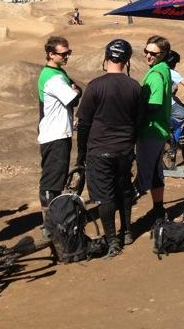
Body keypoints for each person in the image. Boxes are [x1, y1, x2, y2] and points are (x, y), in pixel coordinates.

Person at [76, 39, 142, 257]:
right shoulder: (135, 87)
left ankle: (112, 239)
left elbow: (84, 123)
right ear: (127, 60)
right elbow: (139, 120)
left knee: (104, 195)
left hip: (99, 150)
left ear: (106, 58)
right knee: (123, 188)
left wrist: (81, 154)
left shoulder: (95, 86)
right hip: (124, 149)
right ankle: (127, 231)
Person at [37, 36, 81, 230]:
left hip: (59, 133)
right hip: (55, 135)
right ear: (51, 54)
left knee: (58, 178)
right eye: (63, 54)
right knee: (52, 181)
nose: (66, 57)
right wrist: (76, 90)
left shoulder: (58, 72)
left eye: (68, 53)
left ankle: (53, 221)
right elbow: (73, 98)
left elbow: (75, 92)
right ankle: (49, 225)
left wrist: (75, 90)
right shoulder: (53, 77)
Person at [137, 35, 173, 225]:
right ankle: (158, 210)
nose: (148, 56)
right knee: (156, 172)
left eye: (153, 53)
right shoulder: (164, 69)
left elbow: (154, 104)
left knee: (145, 174)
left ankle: (129, 221)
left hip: (151, 131)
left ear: (164, 54)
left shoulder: (156, 74)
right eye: (146, 51)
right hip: (160, 131)